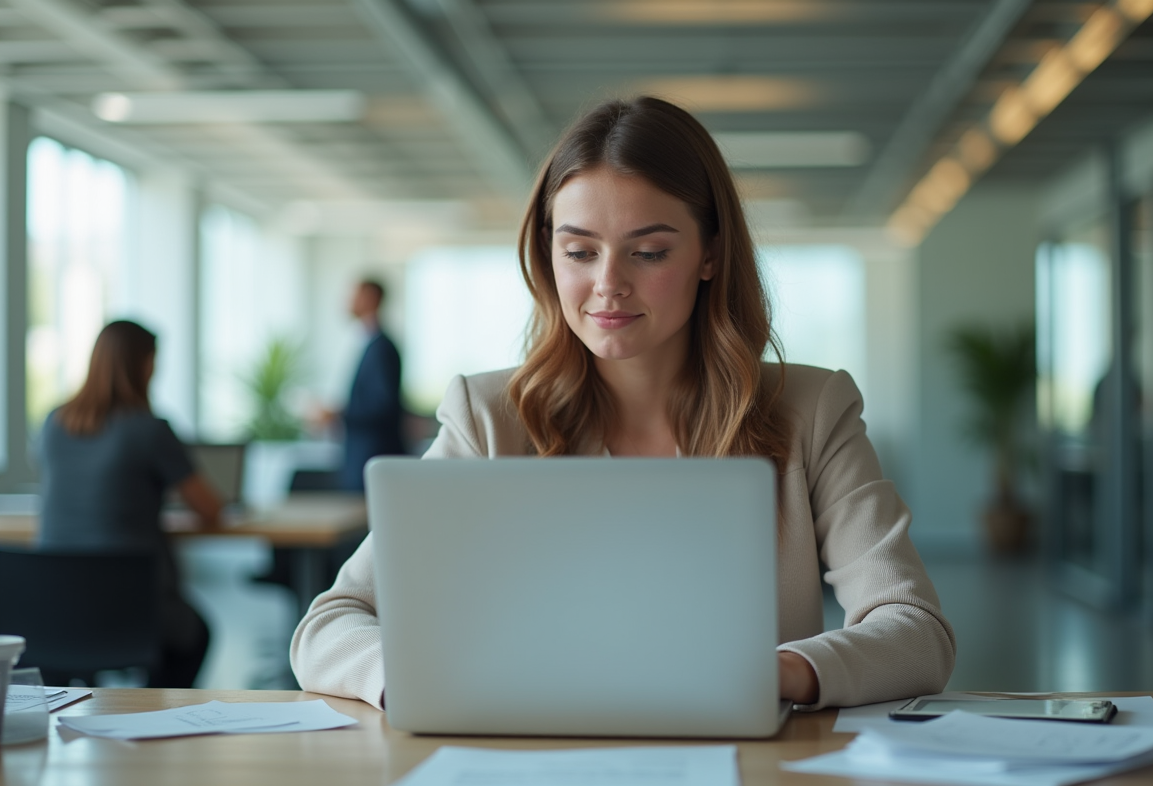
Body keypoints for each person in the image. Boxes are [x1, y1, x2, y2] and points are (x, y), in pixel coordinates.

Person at [291, 97, 956, 710]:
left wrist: (773, 674)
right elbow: (330, 623)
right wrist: (414, 681)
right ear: (548, 254)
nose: (607, 285)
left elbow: (916, 630)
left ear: (709, 254)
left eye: (648, 251)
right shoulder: (489, 417)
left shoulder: (811, 409)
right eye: (579, 250)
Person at [37, 320, 223, 688]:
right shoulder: (150, 429)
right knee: (196, 635)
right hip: (131, 607)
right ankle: (155, 721)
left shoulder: (53, 423)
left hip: (53, 609)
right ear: (143, 364)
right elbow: (210, 507)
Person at [318, 279, 407, 491]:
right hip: (362, 454)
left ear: (371, 299)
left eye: (354, 295)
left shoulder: (381, 347)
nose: (348, 302)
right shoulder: (365, 342)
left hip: (373, 455)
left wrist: (337, 414)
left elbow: (383, 405)